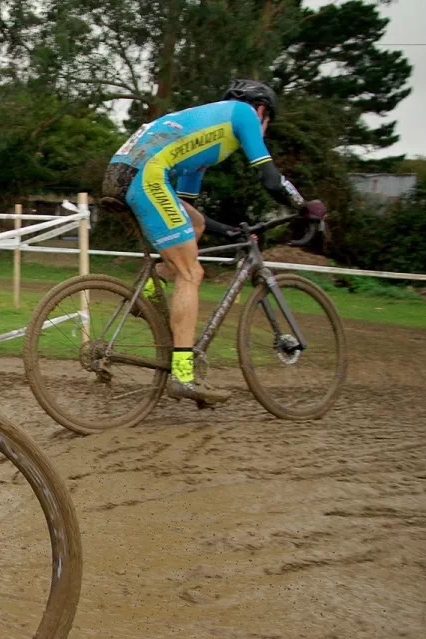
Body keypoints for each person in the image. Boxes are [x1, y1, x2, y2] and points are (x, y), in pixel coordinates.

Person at [101, 79, 326, 405]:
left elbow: (184, 203)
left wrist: (230, 231)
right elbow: (271, 178)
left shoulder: (205, 136)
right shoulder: (244, 113)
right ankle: (182, 375)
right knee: (191, 273)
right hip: (146, 175)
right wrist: (305, 207)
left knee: (195, 226)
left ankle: (146, 297)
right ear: (263, 111)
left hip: (127, 173)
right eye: (268, 122)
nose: (264, 128)